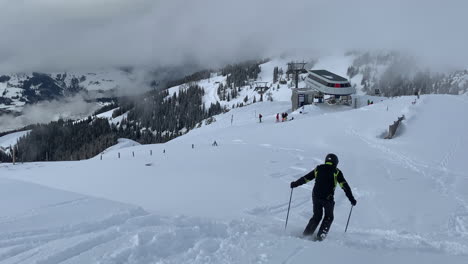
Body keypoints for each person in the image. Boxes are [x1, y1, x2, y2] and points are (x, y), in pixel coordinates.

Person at [290, 153, 357, 241]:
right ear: (336, 162)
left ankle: (306, 235)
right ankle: (320, 237)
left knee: (317, 216)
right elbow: (345, 186)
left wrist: (295, 184)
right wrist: (351, 199)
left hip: (316, 196)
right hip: (327, 199)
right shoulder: (336, 172)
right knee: (329, 217)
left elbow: (306, 178)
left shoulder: (318, 169)